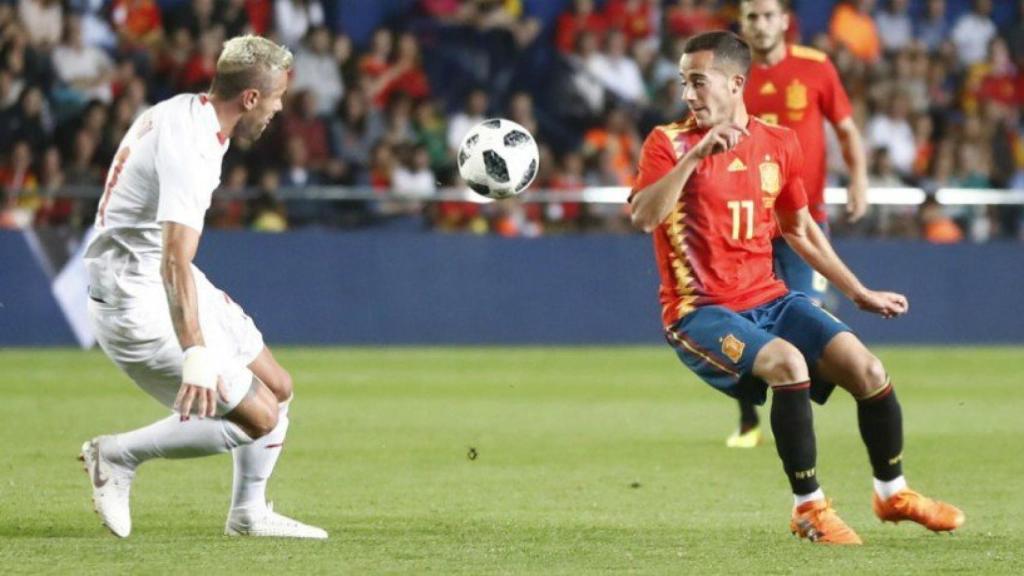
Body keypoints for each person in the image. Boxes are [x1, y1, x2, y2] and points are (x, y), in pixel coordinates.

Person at [629, 30, 962, 544]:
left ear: (736, 82)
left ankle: (891, 493)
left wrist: (858, 292)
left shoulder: (779, 144)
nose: (688, 95)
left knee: (868, 369)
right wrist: (694, 161)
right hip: (700, 310)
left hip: (769, 297)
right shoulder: (668, 143)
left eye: (698, 82)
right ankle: (808, 508)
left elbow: (801, 230)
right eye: (683, 84)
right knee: (788, 363)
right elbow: (643, 216)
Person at [79, 35, 327, 540]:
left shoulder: (187, 111)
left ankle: (248, 514)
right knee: (257, 417)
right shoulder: (193, 149)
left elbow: (171, 260)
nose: (280, 109)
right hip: (136, 303)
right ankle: (115, 456)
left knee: (278, 389)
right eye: (276, 98)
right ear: (251, 98)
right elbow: (174, 258)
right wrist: (196, 351)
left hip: (162, 277)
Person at [727, 0, 870, 449]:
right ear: (742, 24)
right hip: (745, 221)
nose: (761, 24)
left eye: (769, 15)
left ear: (785, 22)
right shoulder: (729, 76)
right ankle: (749, 418)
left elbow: (846, 130)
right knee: (736, 319)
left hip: (803, 217)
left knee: (801, 311)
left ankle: (794, 413)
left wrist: (859, 182)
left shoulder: (816, 67)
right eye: (752, 16)